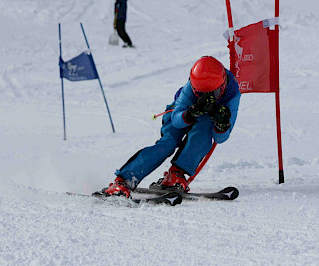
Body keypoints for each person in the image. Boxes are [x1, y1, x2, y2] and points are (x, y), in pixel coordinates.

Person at [100, 56, 241, 197]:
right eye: (199, 93)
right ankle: (123, 180)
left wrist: (221, 124)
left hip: (206, 120)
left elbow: (220, 138)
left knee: (202, 135)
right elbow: (176, 121)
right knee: (167, 144)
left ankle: (175, 174)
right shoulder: (189, 88)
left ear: (222, 87)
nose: (207, 98)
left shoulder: (232, 93)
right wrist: (191, 113)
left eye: (213, 94)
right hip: (178, 113)